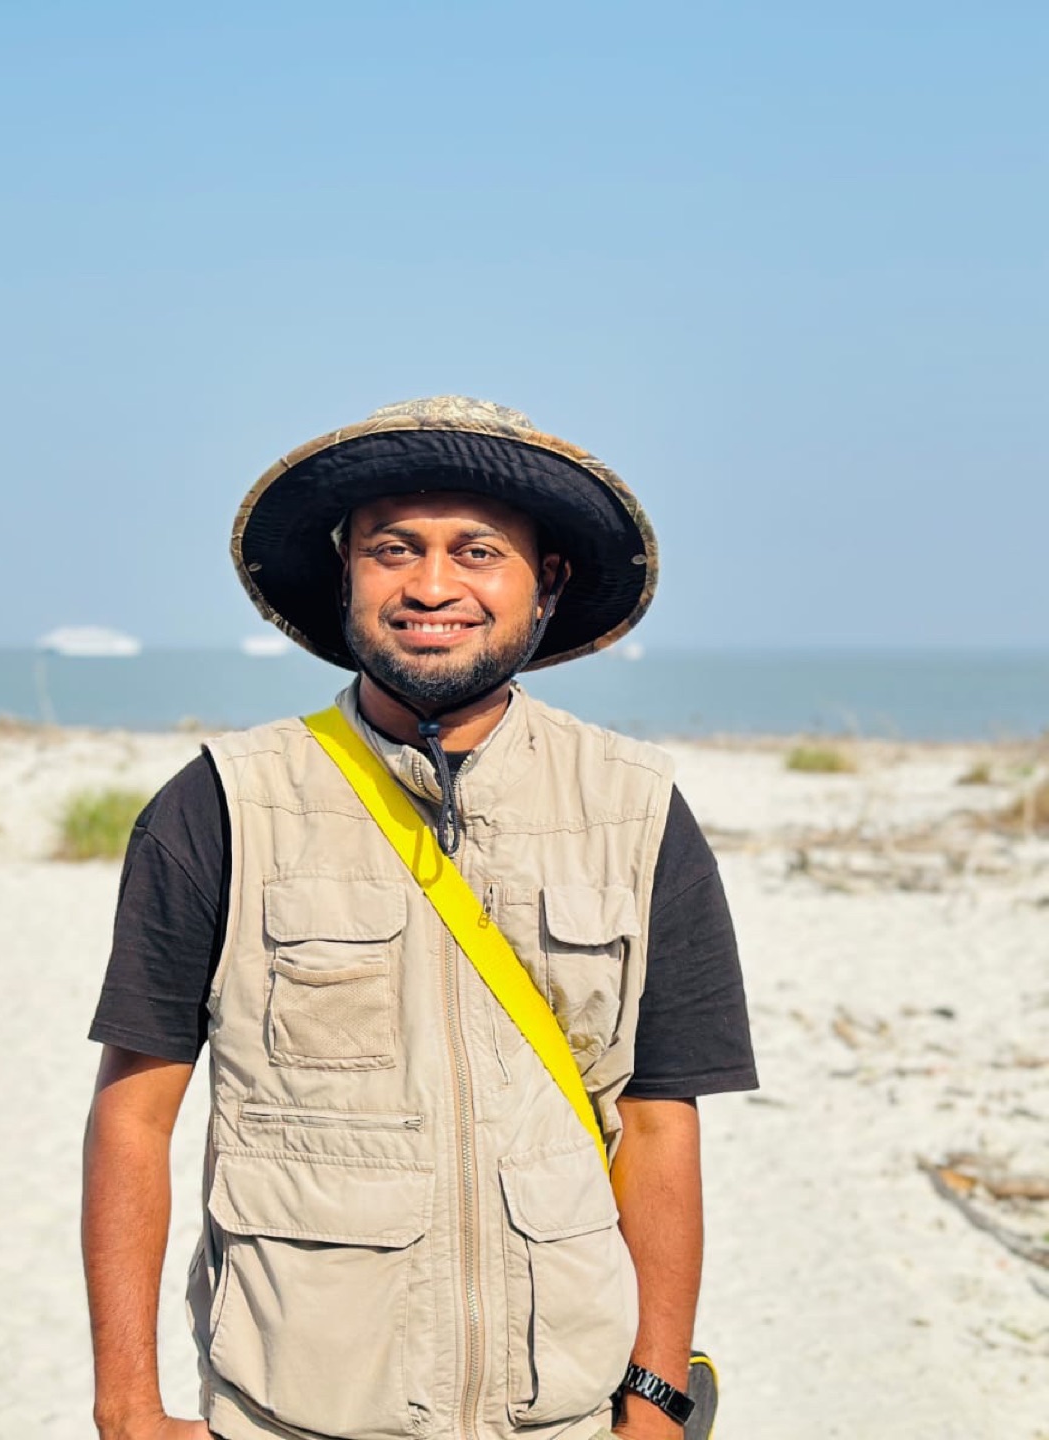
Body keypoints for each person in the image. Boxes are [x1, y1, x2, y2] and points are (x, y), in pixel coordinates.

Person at [81, 396, 758, 1440]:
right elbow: (134, 1115)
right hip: (291, 1413)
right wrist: (128, 1408)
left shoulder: (636, 808)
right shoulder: (220, 801)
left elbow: (661, 1120)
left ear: (548, 583)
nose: (432, 585)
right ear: (345, 571)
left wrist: (658, 1398)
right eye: (394, 548)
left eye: (479, 551)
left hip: (563, 1416)